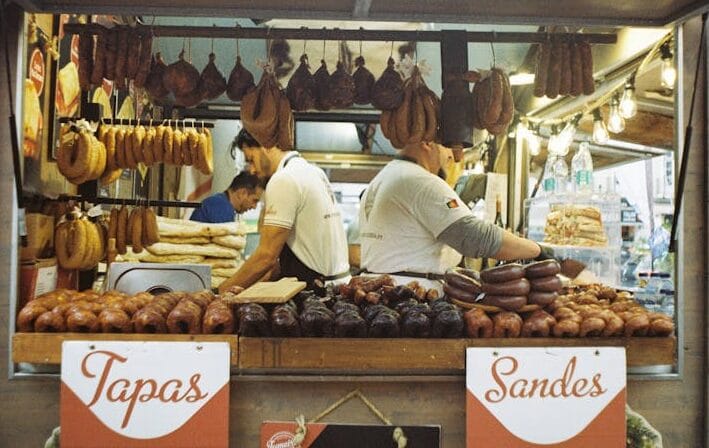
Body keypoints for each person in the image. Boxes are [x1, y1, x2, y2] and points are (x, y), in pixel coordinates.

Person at [359, 139, 542, 286]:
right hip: (412, 297)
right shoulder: (420, 180)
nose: (452, 157)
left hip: (381, 293)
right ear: (427, 143)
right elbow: (475, 237)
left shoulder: (383, 177)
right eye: (447, 146)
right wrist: (538, 250)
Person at [218, 129, 350, 292]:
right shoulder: (313, 171)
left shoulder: (284, 179)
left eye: (251, 160)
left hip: (317, 293)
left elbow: (267, 257)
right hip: (337, 287)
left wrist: (219, 292)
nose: (251, 170)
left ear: (265, 145)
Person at [189, 171, 263, 223]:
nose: (254, 207)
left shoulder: (219, 202)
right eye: (254, 200)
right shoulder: (222, 207)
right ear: (242, 193)